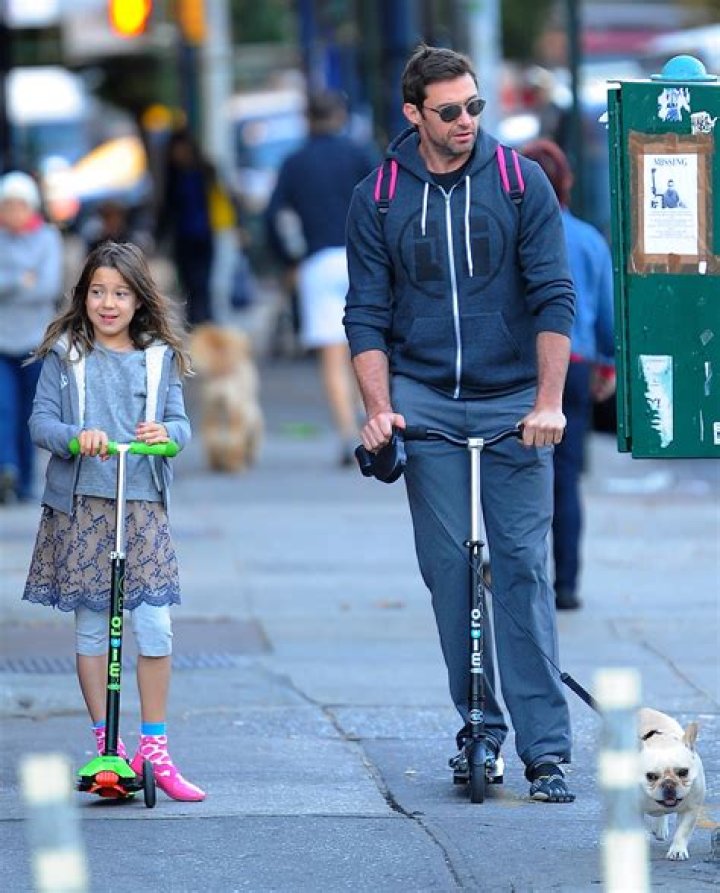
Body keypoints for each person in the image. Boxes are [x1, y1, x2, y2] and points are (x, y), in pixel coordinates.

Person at [344, 45, 577, 802]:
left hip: (515, 398)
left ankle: (547, 750)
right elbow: (366, 313)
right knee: (450, 571)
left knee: (523, 568)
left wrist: (549, 401)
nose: (467, 121)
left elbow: (553, 294)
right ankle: (480, 727)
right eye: (449, 111)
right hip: (426, 399)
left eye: (474, 106)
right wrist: (379, 411)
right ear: (414, 114)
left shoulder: (518, 181)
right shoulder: (379, 196)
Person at [22, 241, 205, 802]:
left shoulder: (159, 358)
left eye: (121, 293)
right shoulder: (67, 355)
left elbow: (180, 426)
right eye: (98, 291)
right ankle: (109, 747)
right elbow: (40, 423)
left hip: (141, 504)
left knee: (155, 627)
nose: (108, 303)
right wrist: (76, 438)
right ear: (83, 296)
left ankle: (155, 749)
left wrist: (165, 436)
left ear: (139, 300)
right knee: (92, 628)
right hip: (82, 507)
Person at [521, 139, 616, 611]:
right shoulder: (588, 239)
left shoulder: (509, 233)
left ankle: (521, 575)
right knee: (565, 477)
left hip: (519, 367)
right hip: (575, 365)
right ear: (568, 182)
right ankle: (567, 584)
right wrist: (607, 363)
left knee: (511, 477)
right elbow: (607, 313)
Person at [266, 91, 376, 466]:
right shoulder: (359, 154)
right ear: (341, 115)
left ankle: (347, 435)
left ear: (307, 119)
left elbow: (273, 215)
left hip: (317, 261)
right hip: (361, 258)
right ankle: (369, 414)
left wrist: (288, 260)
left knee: (332, 354)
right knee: (367, 343)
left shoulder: (294, 163)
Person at [0, 171, 63, 504]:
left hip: (36, 343)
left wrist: (10, 285)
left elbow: (47, 287)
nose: (13, 212)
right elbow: (27, 285)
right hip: (2, 343)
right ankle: (6, 468)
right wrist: (19, 280)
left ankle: (24, 481)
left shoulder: (48, 238)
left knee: (31, 413)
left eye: (19, 205)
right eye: (7, 205)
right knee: (3, 408)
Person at [158, 128, 216, 326]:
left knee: (203, 283)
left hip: (204, 235)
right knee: (189, 284)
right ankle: (196, 323)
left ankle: (205, 322)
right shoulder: (174, 178)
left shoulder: (204, 172)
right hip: (184, 238)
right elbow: (167, 210)